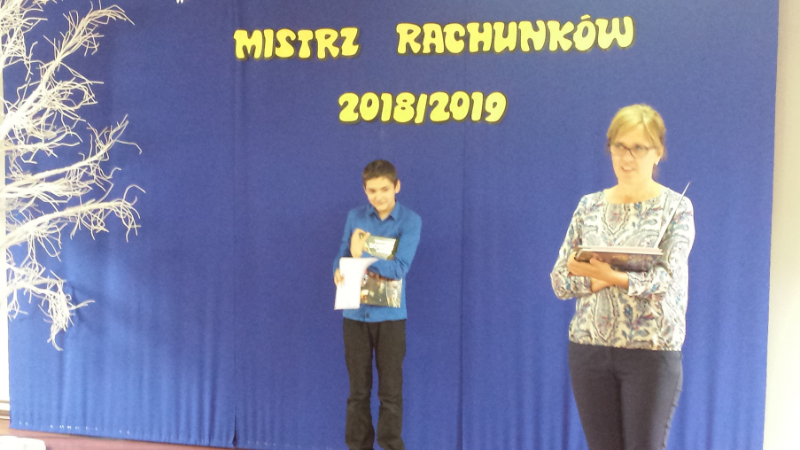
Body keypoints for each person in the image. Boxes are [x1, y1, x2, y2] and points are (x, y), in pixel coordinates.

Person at [550, 104, 695, 450]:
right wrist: (600, 279)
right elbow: (559, 280)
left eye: (639, 148)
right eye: (620, 146)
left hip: (651, 352)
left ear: (657, 153)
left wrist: (608, 274)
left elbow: (666, 279)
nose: (627, 158)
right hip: (589, 349)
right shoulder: (589, 206)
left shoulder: (676, 208)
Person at [333, 160, 422, 450]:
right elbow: (344, 254)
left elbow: (399, 268)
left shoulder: (410, 221)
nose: (378, 196)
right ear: (364, 190)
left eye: (384, 189)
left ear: (397, 186)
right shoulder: (355, 216)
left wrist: (364, 252)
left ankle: (391, 446)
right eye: (372, 190)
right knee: (357, 393)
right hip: (355, 315)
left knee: (390, 393)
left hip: (391, 318)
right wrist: (338, 269)